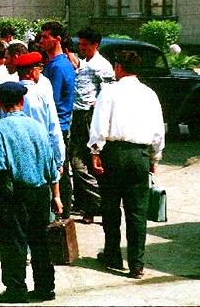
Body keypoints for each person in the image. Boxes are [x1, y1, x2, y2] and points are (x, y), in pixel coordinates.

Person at [88, 50, 164, 279]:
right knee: (137, 212)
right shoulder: (149, 94)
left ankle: (112, 254)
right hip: (139, 155)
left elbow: (99, 123)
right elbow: (158, 130)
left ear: (118, 67)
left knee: (110, 208)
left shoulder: (109, 91)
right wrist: (154, 158)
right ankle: (137, 264)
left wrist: (95, 151)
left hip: (114, 154)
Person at [0, 82, 61, 303]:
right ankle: (45, 288)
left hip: (14, 192)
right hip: (41, 191)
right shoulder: (38, 126)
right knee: (40, 241)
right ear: (23, 102)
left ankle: (16, 289)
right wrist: (56, 195)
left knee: (14, 241)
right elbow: (51, 165)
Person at [70, 27, 115, 224]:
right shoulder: (82, 62)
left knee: (91, 163)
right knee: (78, 164)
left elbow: (108, 92)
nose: (82, 49)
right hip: (77, 116)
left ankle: (102, 204)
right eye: (79, 45)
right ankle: (91, 205)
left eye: (85, 46)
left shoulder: (102, 65)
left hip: (90, 117)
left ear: (95, 45)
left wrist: (97, 103)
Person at [40, 21, 76, 218]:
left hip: (57, 127)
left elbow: (50, 101)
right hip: (61, 125)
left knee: (58, 171)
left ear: (58, 39)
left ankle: (61, 215)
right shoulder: (60, 63)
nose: (42, 41)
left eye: (46, 37)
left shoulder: (57, 67)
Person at [13, 52, 65, 177]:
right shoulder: (42, 95)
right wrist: (59, 160)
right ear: (32, 71)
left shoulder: (9, 95)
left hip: (14, 153)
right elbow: (54, 129)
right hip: (39, 152)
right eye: (39, 69)